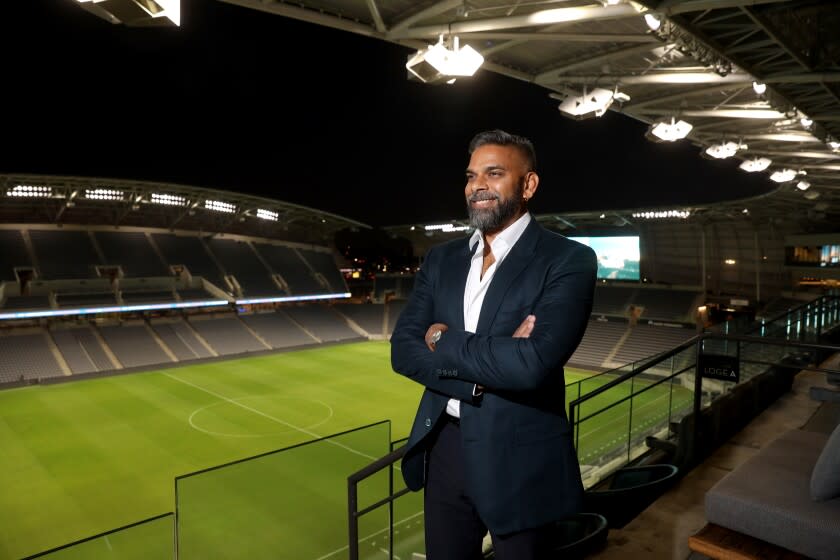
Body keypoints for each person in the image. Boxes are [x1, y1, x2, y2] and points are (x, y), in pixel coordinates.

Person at [390, 129, 598, 559]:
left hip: (519, 456)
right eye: (470, 175)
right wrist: (481, 376)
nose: (476, 185)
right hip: (445, 447)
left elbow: (532, 364)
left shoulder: (567, 259)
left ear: (528, 184)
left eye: (494, 173)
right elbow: (402, 350)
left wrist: (441, 339)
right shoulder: (441, 259)